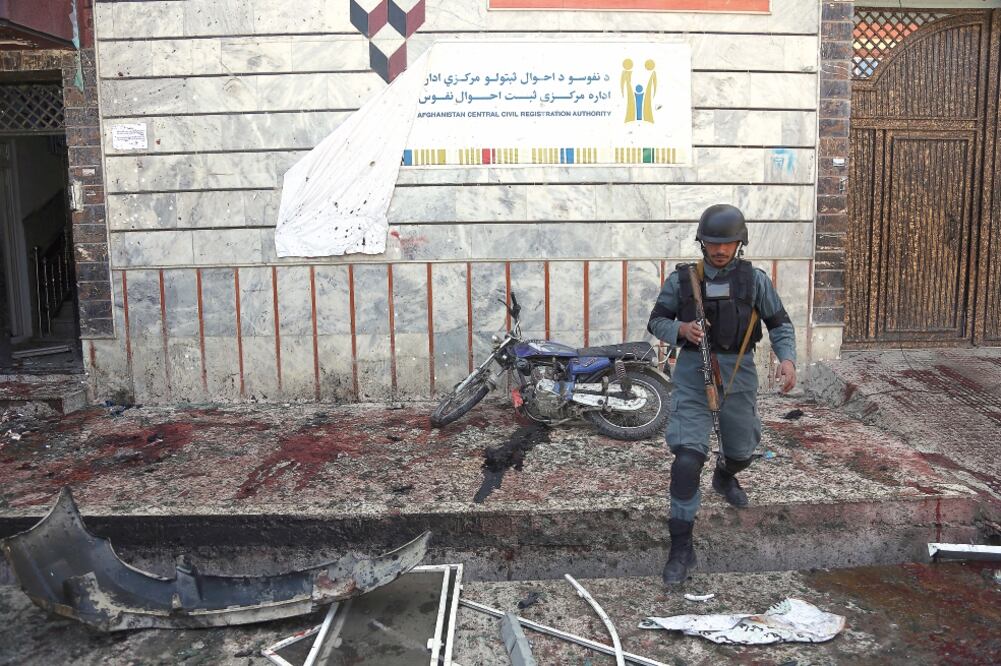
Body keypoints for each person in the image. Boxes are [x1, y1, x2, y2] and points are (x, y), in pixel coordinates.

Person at [646, 204, 797, 586]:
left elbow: (779, 323)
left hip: (739, 372)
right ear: (703, 243)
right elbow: (656, 321)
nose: (719, 250)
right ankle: (681, 549)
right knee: (686, 461)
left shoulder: (755, 280)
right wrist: (681, 330)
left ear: (739, 243)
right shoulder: (682, 280)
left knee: (742, 451)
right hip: (693, 373)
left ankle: (725, 475)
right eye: (713, 243)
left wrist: (787, 360)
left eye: (727, 243)